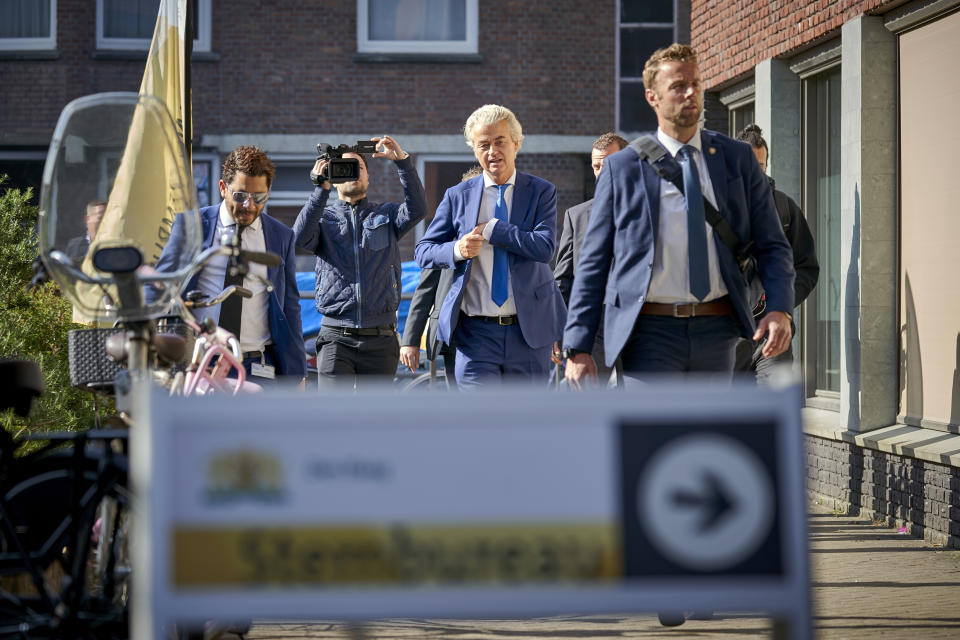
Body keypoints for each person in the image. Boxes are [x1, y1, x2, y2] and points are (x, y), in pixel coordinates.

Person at [562, 43, 795, 390]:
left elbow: (772, 244)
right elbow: (593, 261)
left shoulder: (737, 159)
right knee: (652, 438)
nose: (691, 93)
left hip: (717, 330)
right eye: (678, 86)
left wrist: (780, 307)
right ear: (653, 97)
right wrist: (578, 346)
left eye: (696, 83)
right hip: (647, 333)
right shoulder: (622, 168)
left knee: (705, 439)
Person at [415, 104, 566, 389]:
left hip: (528, 333)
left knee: (525, 426)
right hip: (475, 337)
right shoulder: (457, 196)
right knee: (479, 426)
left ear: (516, 144)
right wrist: (457, 250)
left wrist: (495, 229)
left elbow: (544, 248)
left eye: (500, 142)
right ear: (474, 150)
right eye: (483, 144)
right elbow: (424, 251)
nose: (492, 151)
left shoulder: (541, 191)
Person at [156, 146, 306, 384]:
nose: (249, 205)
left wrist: (297, 372)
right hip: (199, 361)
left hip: (258, 365)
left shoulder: (281, 236)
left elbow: (289, 306)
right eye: (240, 196)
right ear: (223, 188)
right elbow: (157, 285)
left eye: (259, 198)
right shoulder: (192, 226)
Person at [293, 135, 427, 387]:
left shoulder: (386, 215)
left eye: (359, 168)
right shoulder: (324, 219)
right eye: (344, 168)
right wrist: (319, 189)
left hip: (381, 337)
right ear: (334, 179)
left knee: (376, 419)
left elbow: (418, 209)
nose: (353, 173)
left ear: (368, 177)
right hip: (335, 337)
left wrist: (403, 163)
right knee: (334, 416)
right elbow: (300, 238)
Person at [734, 124, 819, 382]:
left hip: (772, 335)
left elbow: (806, 267)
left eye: (759, 167)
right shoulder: (713, 207)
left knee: (771, 413)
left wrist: (780, 305)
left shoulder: (784, 208)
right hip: (727, 339)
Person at [552, 133, 628, 384]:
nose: (601, 172)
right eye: (596, 166)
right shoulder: (577, 216)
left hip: (638, 322)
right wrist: (558, 330)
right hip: (594, 326)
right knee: (590, 396)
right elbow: (563, 279)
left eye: (608, 164)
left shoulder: (648, 211)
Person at [399, 166, 483, 388]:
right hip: (454, 333)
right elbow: (425, 291)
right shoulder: (444, 240)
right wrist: (410, 341)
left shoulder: (503, 233)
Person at [65, 200, 106, 265]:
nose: (105, 222)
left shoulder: (115, 244)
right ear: (87, 219)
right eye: (101, 218)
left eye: (107, 218)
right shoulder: (74, 245)